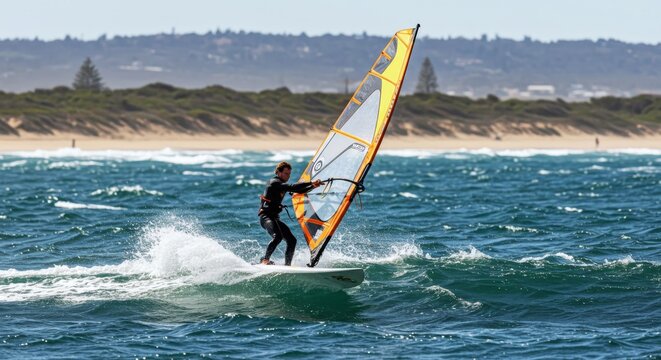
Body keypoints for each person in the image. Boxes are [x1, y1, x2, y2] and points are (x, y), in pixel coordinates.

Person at [259, 161, 323, 266]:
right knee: (278, 237)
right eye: (285, 173)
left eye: (289, 174)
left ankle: (287, 265)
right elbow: (293, 187)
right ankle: (265, 260)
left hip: (274, 218)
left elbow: (300, 190)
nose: (288, 176)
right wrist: (311, 182)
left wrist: (314, 186)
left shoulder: (281, 185)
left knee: (292, 240)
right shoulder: (274, 182)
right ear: (278, 172)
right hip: (266, 218)